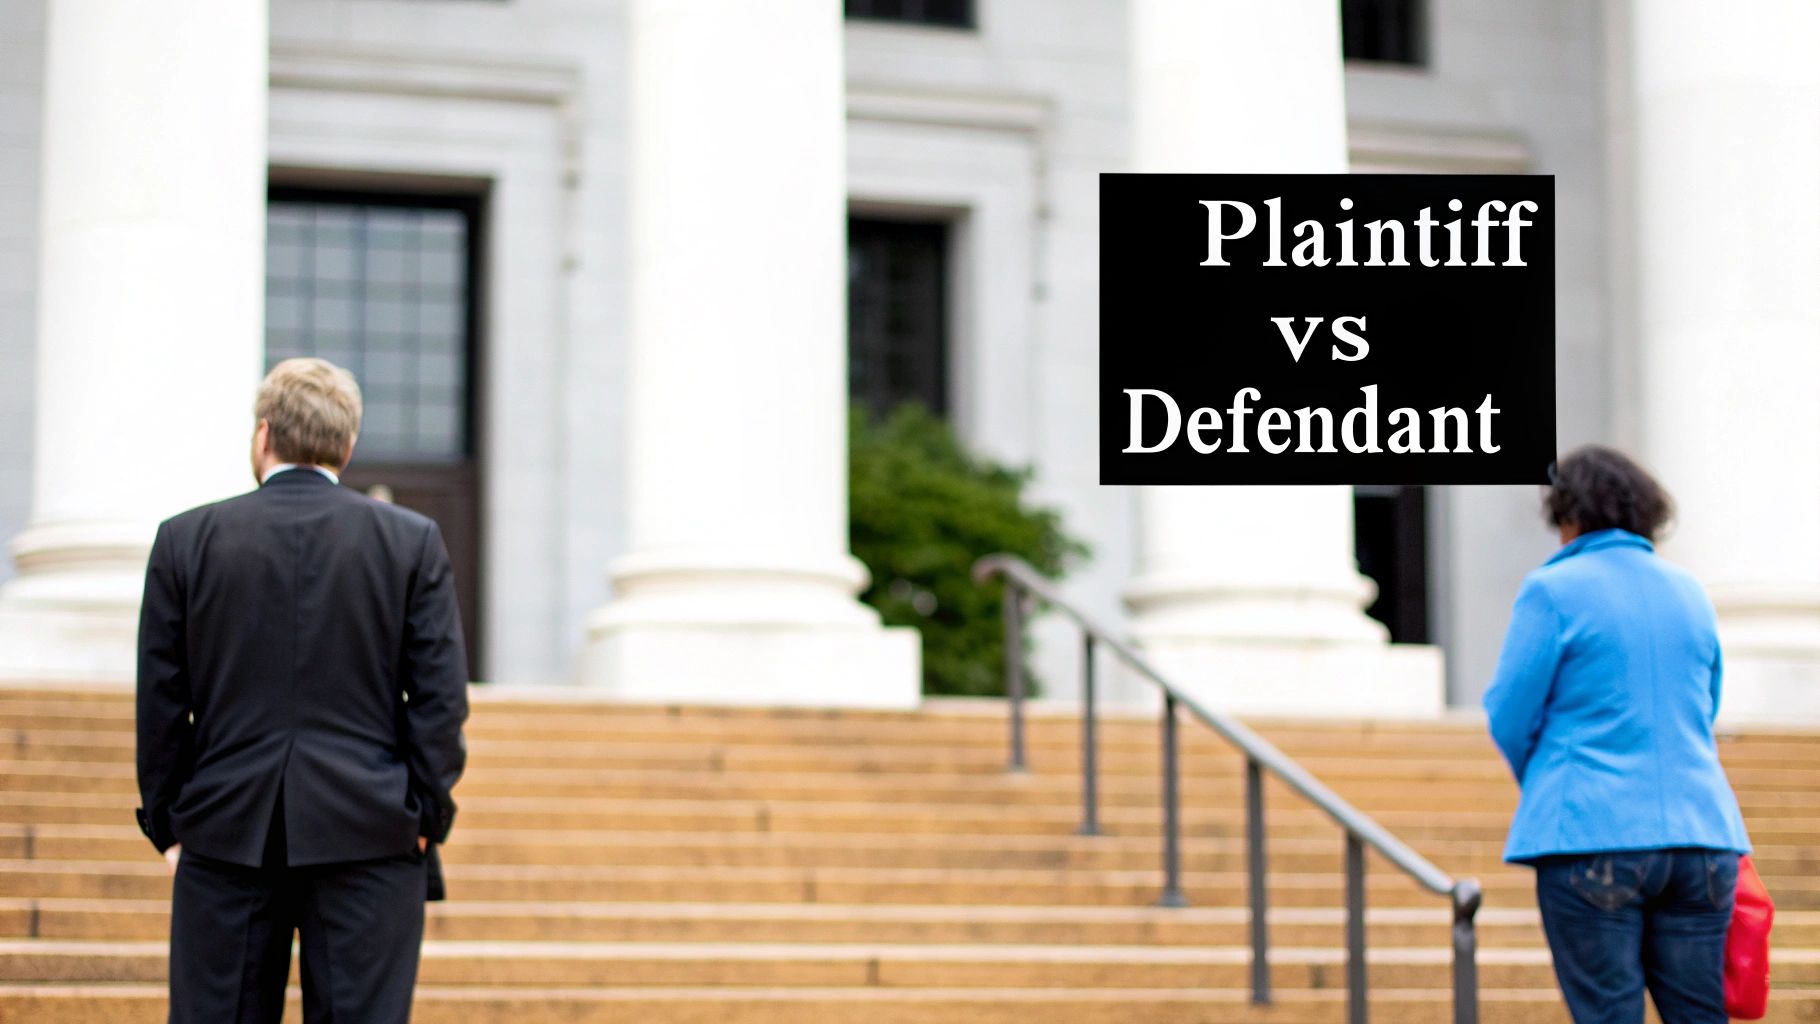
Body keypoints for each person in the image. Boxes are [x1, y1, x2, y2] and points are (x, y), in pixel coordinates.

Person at [136, 357, 469, 1024]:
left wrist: (171, 822)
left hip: (224, 830)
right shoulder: (411, 541)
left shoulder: (185, 541)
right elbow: (440, 698)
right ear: (347, 446)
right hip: (372, 830)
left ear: (263, 437)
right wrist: (426, 814)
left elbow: (162, 702)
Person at [1484, 445, 1750, 1024]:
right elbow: (1703, 706)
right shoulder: (1691, 593)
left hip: (1589, 833)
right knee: (1699, 1015)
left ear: (1570, 515)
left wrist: (1552, 777)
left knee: (1609, 1014)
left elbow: (1507, 710)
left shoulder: (1552, 590)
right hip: (1702, 837)